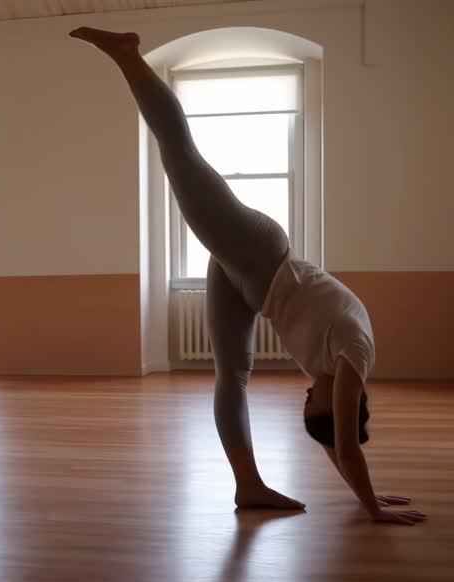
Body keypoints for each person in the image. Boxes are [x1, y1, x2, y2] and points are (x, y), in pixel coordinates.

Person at [70, 27, 426, 525]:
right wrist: (372, 508)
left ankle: (249, 487)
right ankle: (128, 56)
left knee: (231, 375)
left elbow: (337, 441)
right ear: (347, 400)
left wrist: (363, 492)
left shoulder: (334, 379)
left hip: (247, 285)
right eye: (311, 403)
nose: (305, 393)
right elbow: (344, 443)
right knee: (180, 155)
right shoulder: (354, 355)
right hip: (260, 253)